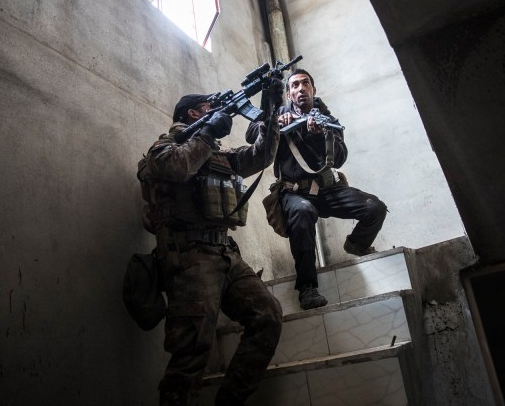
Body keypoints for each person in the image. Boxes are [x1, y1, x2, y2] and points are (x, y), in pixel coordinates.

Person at [138, 92, 284, 405]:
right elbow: (175, 167)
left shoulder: (219, 155)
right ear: (193, 114)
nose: (218, 112)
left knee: (267, 316)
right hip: (189, 256)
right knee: (192, 350)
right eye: (209, 108)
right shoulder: (164, 146)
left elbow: (260, 156)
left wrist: (270, 110)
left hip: (225, 254)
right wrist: (207, 133)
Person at [248, 69, 387, 310]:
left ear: (313, 89)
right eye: (294, 85)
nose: (301, 88)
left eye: (305, 83)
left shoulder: (326, 119)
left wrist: (319, 136)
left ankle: (357, 243)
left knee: (374, 208)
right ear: (289, 94)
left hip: (327, 190)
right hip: (294, 193)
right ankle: (307, 288)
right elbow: (251, 135)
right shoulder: (278, 113)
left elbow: (340, 158)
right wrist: (274, 122)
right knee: (302, 212)